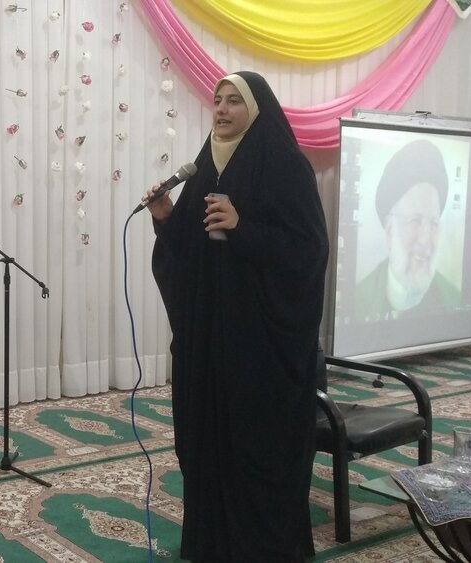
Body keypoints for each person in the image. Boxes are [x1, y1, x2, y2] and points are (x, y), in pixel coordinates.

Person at [145, 72, 328, 562]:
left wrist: (244, 229)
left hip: (260, 346)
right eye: (217, 101)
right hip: (210, 342)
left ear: (257, 109)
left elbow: (308, 251)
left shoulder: (286, 166)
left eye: (233, 101)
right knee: (206, 442)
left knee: (257, 445)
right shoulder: (207, 164)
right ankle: (213, 544)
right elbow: (189, 249)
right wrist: (167, 219)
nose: (222, 110)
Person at [354, 139, 459, 321]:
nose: (425, 241)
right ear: (389, 229)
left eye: (433, 224)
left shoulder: (454, 299)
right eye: (415, 221)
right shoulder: (356, 301)